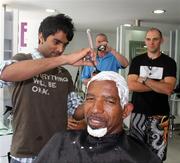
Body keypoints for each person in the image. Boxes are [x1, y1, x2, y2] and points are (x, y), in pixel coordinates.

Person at [0, 13, 96, 163]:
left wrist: (95, 95)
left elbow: (76, 111)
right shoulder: (22, 60)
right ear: (41, 36)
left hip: (57, 153)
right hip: (25, 155)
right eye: (56, 42)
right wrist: (65, 59)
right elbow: (5, 74)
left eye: (64, 45)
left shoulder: (63, 74)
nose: (60, 49)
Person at [34, 71, 162, 163]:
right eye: (90, 99)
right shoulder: (60, 141)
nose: (96, 109)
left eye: (109, 101)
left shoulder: (140, 157)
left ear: (126, 111)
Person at [127, 27, 177, 161]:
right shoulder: (137, 60)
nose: (151, 42)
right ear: (145, 41)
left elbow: (168, 89)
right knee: (136, 153)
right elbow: (131, 85)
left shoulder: (169, 63)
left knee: (157, 156)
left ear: (161, 40)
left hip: (160, 115)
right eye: (148, 39)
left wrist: (144, 80)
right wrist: (158, 84)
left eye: (155, 39)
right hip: (138, 113)